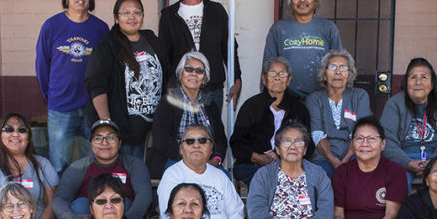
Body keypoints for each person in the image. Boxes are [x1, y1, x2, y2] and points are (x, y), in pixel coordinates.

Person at [35, 0, 110, 173]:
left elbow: (106, 67)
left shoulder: (101, 28)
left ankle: (90, 203)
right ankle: (59, 204)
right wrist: (50, 94)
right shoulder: (51, 26)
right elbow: (42, 64)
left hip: (91, 106)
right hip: (60, 105)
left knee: (94, 162)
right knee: (58, 164)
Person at [85, 0, 166, 160]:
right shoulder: (107, 46)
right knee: (120, 177)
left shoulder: (151, 39)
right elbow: (96, 86)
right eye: (125, 13)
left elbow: (168, 73)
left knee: (139, 175)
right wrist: (107, 125)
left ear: (143, 16)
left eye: (137, 12)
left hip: (150, 129)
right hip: (121, 131)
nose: (132, 17)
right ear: (116, 18)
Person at [158, 0, 242, 111]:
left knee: (210, 132)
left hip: (212, 88)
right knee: (182, 132)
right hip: (180, 88)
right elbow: (164, 55)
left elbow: (229, 48)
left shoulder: (217, 11)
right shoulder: (169, 15)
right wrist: (169, 85)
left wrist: (236, 79)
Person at [332, 118, 407, 219]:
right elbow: (338, 214)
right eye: (359, 138)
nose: (365, 144)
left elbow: (392, 216)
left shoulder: (395, 171)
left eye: (372, 139)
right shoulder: (341, 173)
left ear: (383, 144)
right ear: (352, 144)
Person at [51, 119, 152, 219]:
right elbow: (60, 199)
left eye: (111, 137)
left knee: (122, 202)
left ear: (119, 142)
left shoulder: (133, 164)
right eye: (98, 138)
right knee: (81, 204)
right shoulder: (78, 167)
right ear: (91, 144)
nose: (105, 142)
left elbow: (144, 195)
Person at [230, 56, 310, 186]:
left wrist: (281, 157)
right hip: (253, 164)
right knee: (264, 180)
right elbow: (236, 144)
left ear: (289, 80)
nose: (277, 77)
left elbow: (307, 144)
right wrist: (256, 157)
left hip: (289, 163)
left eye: (282, 74)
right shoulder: (251, 106)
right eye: (272, 73)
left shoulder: (299, 109)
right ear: (264, 79)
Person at [379, 58, 437, 184]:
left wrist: (435, 162)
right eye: (413, 77)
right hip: (405, 159)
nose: (418, 82)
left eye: (424, 77)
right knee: (398, 178)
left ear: (432, 83)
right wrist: (407, 163)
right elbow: (386, 140)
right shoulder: (394, 104)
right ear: (406, 83)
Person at [148, 51, 227, 177]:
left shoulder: (210, 105)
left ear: (204, 79)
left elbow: (220, 139)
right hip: (175, 160)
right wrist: (191, 160)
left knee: (224, 179)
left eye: (199, 71)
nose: (194, 74)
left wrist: (216, 160)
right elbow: (161, 140)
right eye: (189, 69)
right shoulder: (167, 102)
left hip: (207, 163)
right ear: (180, 74)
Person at [262, 0, 343, 100]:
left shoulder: (328, 28)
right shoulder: (278, 29)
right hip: (286, 99)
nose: (302, 0)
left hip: (321, 98)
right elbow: (267, 66)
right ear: (291, 1)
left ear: (315, 0)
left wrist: (337, 96)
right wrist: (267, 98)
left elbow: (339, 64)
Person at [305, 49, 372, 175]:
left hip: (355, 156)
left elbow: (361, 132)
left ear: (349, 74)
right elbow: (317, 133)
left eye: (343, 67)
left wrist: (346, 160)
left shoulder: (359, 96)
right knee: (319, 176)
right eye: (332, 67)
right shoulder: (314, 99)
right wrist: (333, 160)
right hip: (323, 157)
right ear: (324, 74)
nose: (338, 71)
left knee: (357, 176)